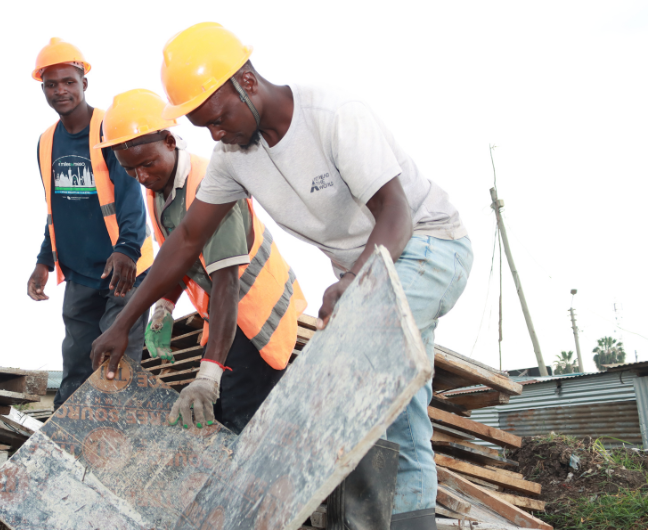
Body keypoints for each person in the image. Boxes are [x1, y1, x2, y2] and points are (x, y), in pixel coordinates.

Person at [91, 23, 473, 530]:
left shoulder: (332, 115)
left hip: (427, 245)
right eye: (204, 127)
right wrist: (125, 322)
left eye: (218, 118)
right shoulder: (232, 159)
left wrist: (355, 281)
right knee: (399, 410)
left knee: (347, 377)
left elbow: (396, 211)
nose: (215, 135)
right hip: (366, 271)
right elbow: (184, 244)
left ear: (246, 82)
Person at [94, 89, 306, 434]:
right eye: (130, 170)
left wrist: (209, 375)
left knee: (239, 426)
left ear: (169, 140)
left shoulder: (211, 188)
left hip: (253, 316)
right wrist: (163, 306)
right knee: (221, 423)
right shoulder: (160, 191)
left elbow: (227, 283)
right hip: (226, 317)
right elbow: (177, 259)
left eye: (147, 164)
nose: (142, 177)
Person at [27, 38, 154, 409]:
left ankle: (120, 453)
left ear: (84, 83)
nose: (60, 91)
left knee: (117, 367)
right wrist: (44, 261)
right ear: (43, 89)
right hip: (81, 275)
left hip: (124, 271)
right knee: (76, 373)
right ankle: (68, 451)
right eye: (51, 85)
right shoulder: (46, 142)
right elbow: (56, 209)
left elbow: (131, 197)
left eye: (68, 81)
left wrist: (128, 249)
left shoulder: (108, 129)